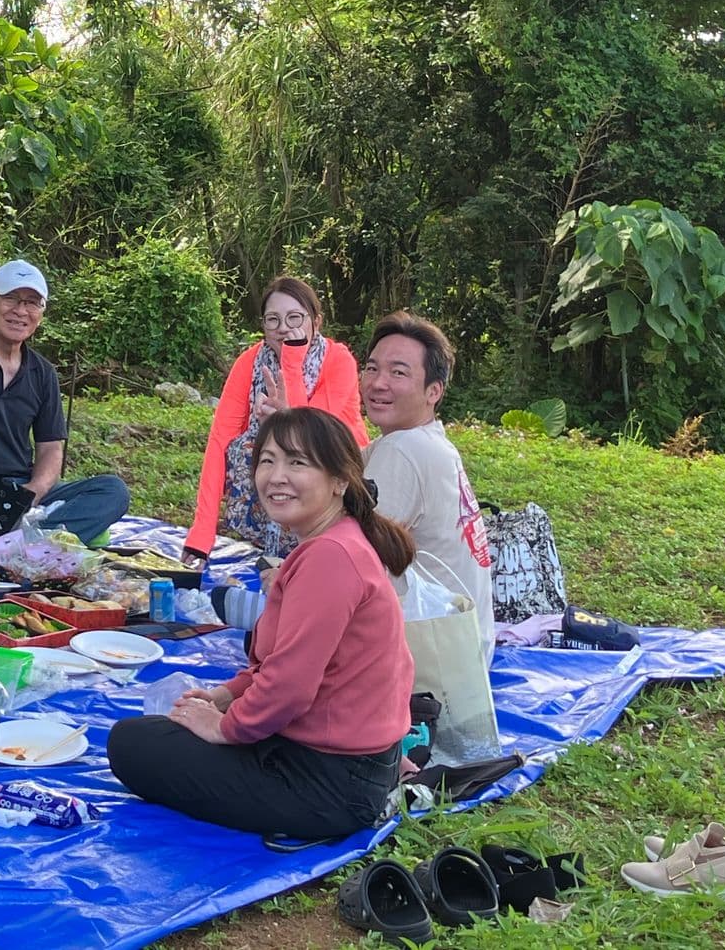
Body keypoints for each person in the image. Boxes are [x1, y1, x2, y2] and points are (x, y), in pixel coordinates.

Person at [107, 407, 414, 840]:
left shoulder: (331, 558)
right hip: (348, 764)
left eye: (297, 462)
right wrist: (223, 695)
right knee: (166, 728)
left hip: (331, 785)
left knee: (131, 744)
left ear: (340, 481)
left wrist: (225, 727)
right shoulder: (336, 543)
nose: (276, 476)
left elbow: (289, 685)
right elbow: (281, 664)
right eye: (267, 461)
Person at [0, 259, 129, 546]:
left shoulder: (43, 373)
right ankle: (38, 542)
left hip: (20, 490)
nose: (20, 311)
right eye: (11, 299)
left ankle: (27, 540)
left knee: (113, 492)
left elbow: (52, 449)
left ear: (41, 313)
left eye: (32, 302)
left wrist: (31, 493)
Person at [185, 275, 363, 564]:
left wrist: (291, 362)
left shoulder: (338, 360)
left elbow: (313, 435)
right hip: (284, 476)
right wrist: (200, 537)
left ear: (315, 322)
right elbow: (221, 441)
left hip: (334, 470)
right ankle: (273, 544)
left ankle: (315, 546)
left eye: (294, 318)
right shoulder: (249, 362)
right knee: (246, 446)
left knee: (294, 450)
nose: (283, 329)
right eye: (273, 320)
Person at [360, 311, 495, 664]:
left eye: (398, 372)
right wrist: (292, 427)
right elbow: (338, 468)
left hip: (436, 662)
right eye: (372, 368)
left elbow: (350, 558)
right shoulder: (422, 439)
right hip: (468, 646)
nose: (378, 383)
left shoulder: (404, 449)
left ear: (433, 391)